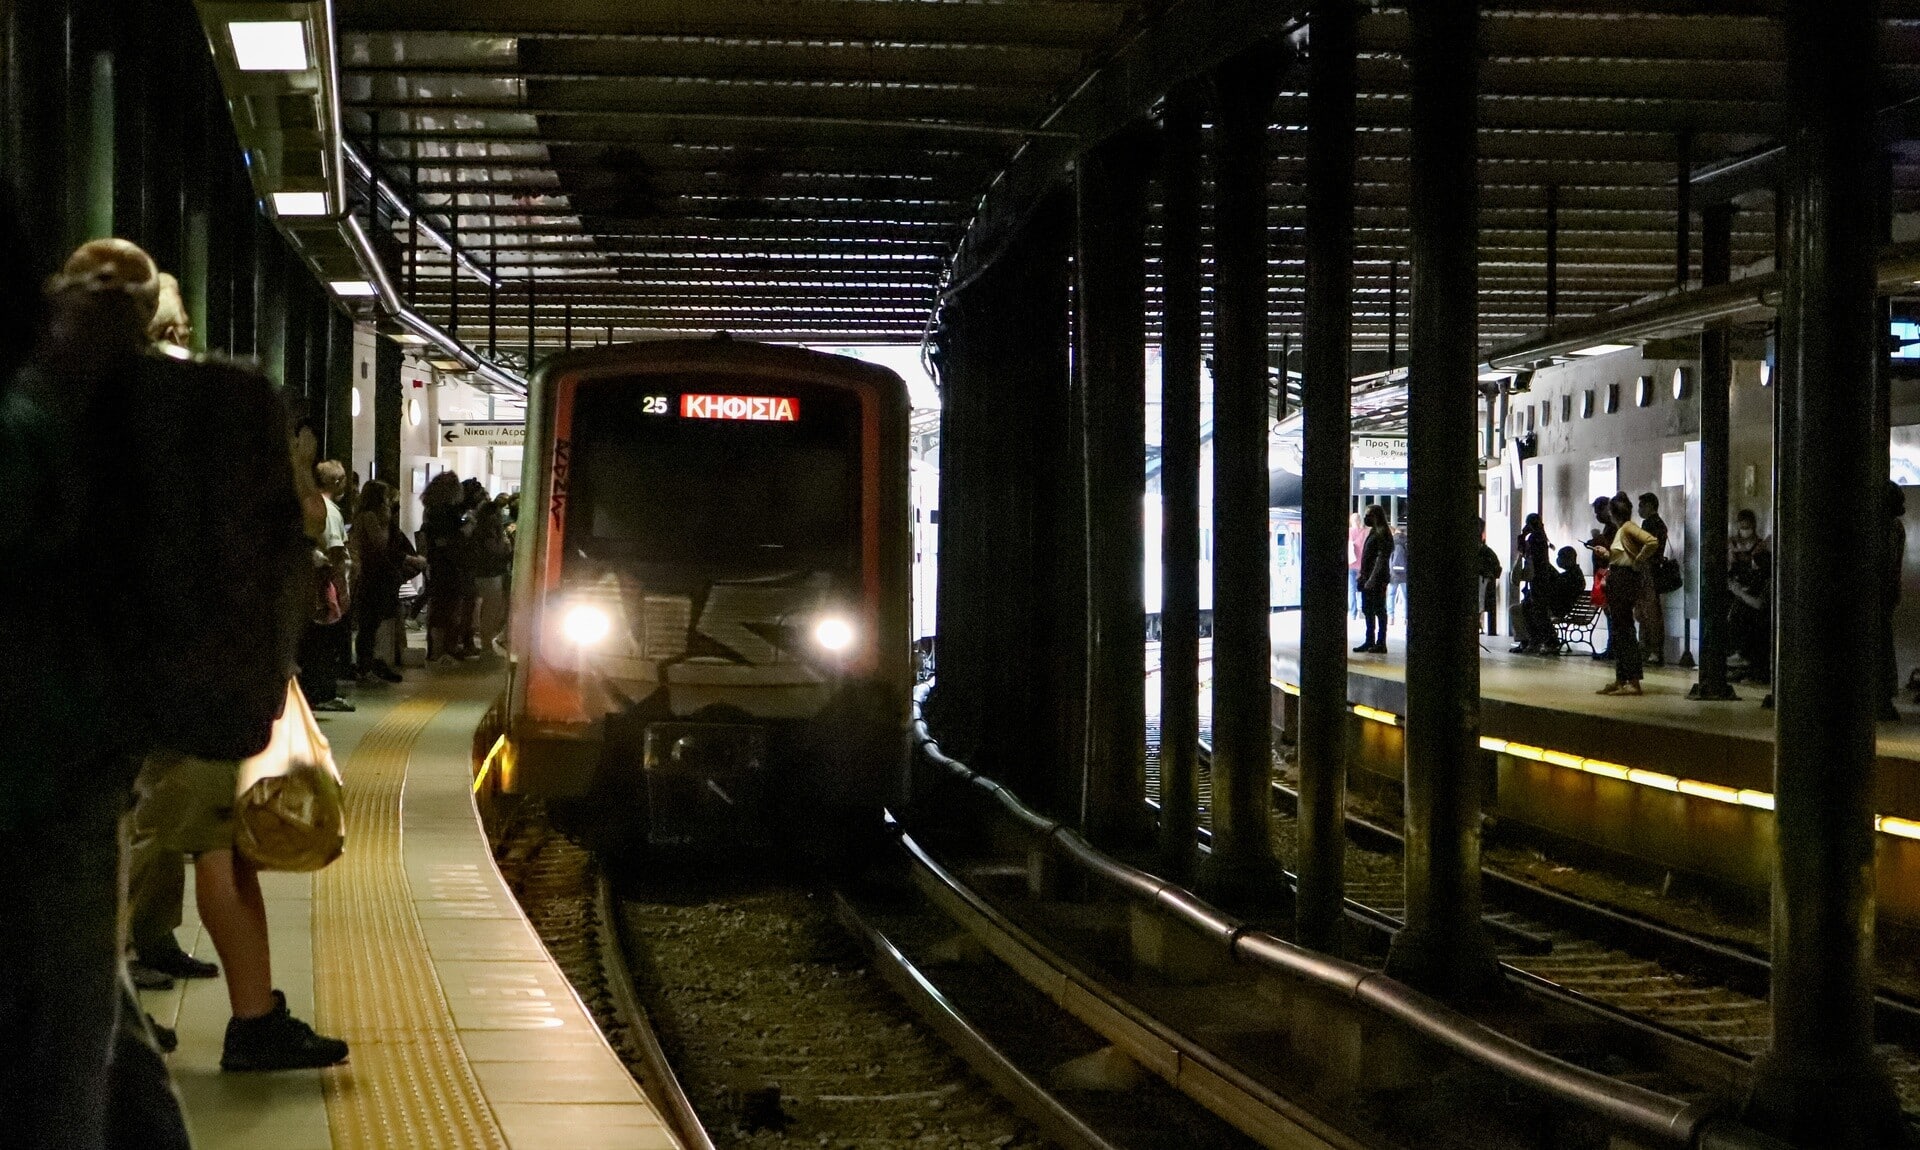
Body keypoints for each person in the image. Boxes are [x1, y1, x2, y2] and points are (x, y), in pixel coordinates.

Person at [0, 235, 191, 1148]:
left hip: (46, 782)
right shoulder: (123, 420)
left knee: (60, 1061)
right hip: (74, 773)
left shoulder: (49, 421)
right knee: (80, 1029)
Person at [351, 480, 420, 683]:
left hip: (377, 575)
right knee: (370, 625)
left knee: (374, 623)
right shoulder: (369, 517)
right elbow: (380, 544)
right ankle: (366, 667)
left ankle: (373, 665)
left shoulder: (366, 516)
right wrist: (386, 523)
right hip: (373, 576)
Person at [300, 459, 355, 712]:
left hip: (309, 580)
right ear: (336, 481)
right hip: (323, 582)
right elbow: (336, 552)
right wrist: (343, 588)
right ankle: (322, 692)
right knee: (324, 639)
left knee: (312, 641)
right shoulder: (330, 511)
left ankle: (312, 691)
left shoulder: (310, 505)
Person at [1593, 493, 1660, 696]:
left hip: (1624, 580)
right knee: (1619, 630)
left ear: (1613, 513)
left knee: (1624, 630)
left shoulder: (1628, 528)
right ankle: (1621, 679)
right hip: (1619, 578)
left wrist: (1638, 560)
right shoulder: (1623, 530)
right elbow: (1621, 555)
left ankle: (1632, 680)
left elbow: (1652, 542)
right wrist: (1608, 554)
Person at [421, 469, 471, 661]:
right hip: (448, 565)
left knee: (439, 607)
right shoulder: (444, 514)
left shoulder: (431, 510)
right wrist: (464, 530)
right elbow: (448, 539)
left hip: (438, 564)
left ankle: (437, 648)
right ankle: (442, 650)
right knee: (446, 608)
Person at [1728, 509, 1773, 684]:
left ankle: (1744, 658)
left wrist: (1740, 592)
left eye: (1747, 527)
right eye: (1742, 527)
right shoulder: (1734, 544)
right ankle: (1741, 660)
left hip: (1754, 603)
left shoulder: (1760, 552)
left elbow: (1760, 603)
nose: (1744, 531)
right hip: (1745, 591)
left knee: (1742, 612)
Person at [471, 495, 513, 653]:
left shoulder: (476, 529)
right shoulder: (490, 532)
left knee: (482, 610)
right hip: (491, 575)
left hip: (479, 574)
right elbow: (497, 551)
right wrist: (506, 548)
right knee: (491, 612)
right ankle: (486, 644)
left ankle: (484, 642)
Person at [1511, 513, 1553, 654]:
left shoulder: (1535, 538)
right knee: (1532, 608)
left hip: (1537, 580)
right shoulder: (1542, 537)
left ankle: (1541, 640)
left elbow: (1524, 552)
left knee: (1537, 610)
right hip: (1540, 579)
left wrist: (1522, 536)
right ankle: (1535, 640)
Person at [1636, 492, 1670, 667]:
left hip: (1648, 572)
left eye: (1641, 506)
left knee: (1649, 613)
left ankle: (1651, 650)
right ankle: (1650, 650)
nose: (1639, 509)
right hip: (1651, 572)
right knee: (1649, 613)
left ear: (1650, 505)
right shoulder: (1659, 524)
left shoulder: (1651, 524)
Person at [1355, 504, 1393, 653]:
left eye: (1368, 515)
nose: (1366, 518)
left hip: (1377, 579)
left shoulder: (1382, 533)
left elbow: (1381, 558)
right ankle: (1369, 640)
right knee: (1368, 609)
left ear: (1376, 516)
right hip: (1368, 577)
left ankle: (1381, 642)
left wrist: (1372, 578)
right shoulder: (1374, 532)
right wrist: (1362, 574)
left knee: (1379, 609)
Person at [1884, 482, 1907, 722]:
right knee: (1884, 641)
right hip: (1889, 591)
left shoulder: (1886, 529)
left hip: (1881, 591)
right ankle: (1886, 693)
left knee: (1880, 642)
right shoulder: (1896, 527)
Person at [1476, 518, 1503, 636]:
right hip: (1483, 580)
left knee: (1483, 601)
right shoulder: (1486, 551)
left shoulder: (1486, 552)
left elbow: (1496, 568)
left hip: (1484, 581)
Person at [1347, 512, 1368, 619]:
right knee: (1361, 588)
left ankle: (1352, 613)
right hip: (1361, 565)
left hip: (1350, 564)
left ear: (1351, 521)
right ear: (1360, 521)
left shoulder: (1348, 532)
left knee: (1351, 590)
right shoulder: (1364, 532)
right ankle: (1361, 610)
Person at [1388, 522, 1409, 624]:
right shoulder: (1407, 542)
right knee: (1406, 596)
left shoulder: (1391, 541)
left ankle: (1391, 617)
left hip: (1393, 574)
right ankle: (1406, 618)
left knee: (1391, 595)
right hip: (1405, 574)